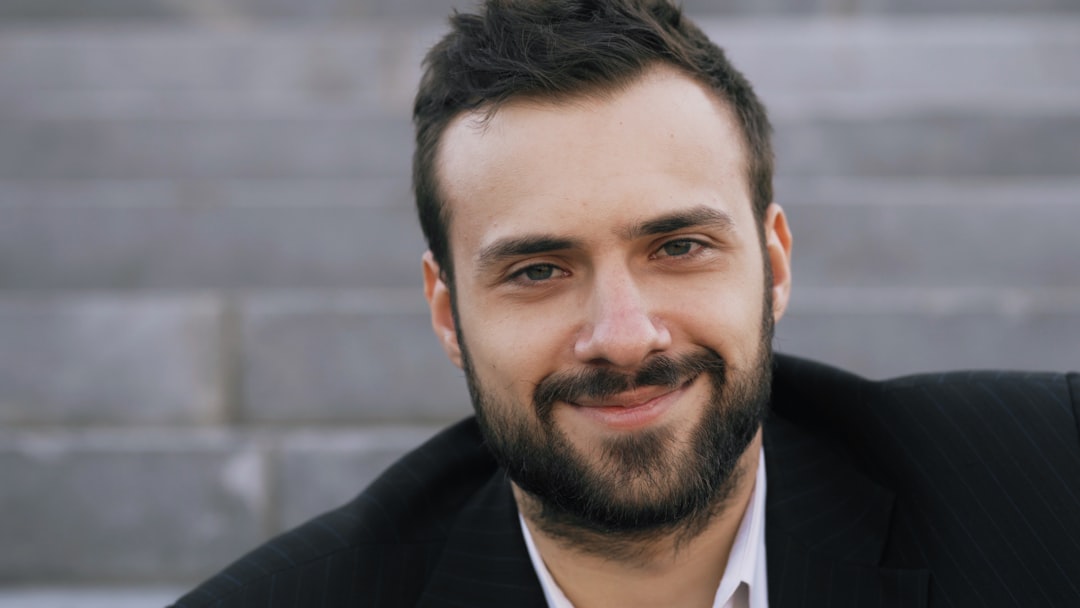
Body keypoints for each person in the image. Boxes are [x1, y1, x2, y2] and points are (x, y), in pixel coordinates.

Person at [172, 1, 1080, 606]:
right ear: (448, 314)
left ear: (774, 263)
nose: (622, 335)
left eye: (679, 247)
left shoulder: (1046, 483)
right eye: (537, 270)